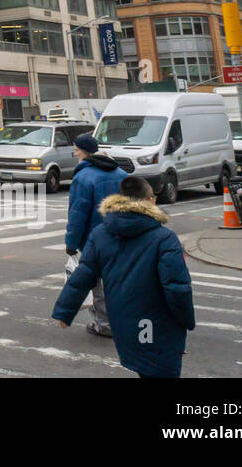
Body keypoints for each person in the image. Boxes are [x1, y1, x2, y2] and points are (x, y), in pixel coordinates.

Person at [53, 175, 195, 377]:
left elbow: (84, 274)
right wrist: (186, 320)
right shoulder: (164, 238)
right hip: (157, 323)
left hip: (124, 322)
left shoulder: (101, 234)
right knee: (160, 369)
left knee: (143, 365)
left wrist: (64, 311)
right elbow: (177, 287)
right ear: (150, 200)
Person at [64, 132, 125, 337]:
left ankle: (104, 324)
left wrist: (71, 243)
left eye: (76, 149)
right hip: (123, 237)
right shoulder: (121, 174)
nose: (75, 152)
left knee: (97, 284)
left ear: (82, 152)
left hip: (95, 240)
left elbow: (77, 214)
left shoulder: (83, 177)